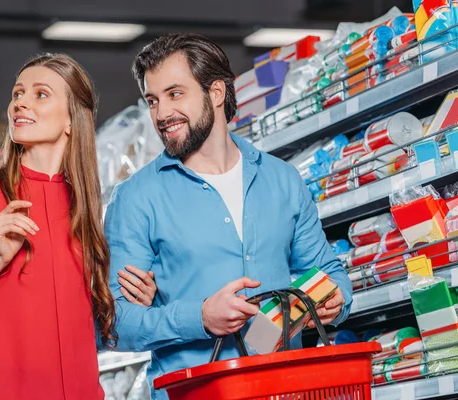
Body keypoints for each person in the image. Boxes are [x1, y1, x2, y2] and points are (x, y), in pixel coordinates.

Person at [104, 33, 353, 399]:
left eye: (175, 94)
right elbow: (112, 325)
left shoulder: (282, 179)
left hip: (284, 389)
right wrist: (200, 317)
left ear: (216, 93)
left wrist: (338, 299)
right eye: (152, 100)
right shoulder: (137, 198)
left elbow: (327, 272)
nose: (161, 114)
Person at [0, 53, 134, 400]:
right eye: (17, 94)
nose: (20, 104)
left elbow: (96, 331)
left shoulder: (85, 210)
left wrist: (135, 296)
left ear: (72, 118)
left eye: (40, 94)